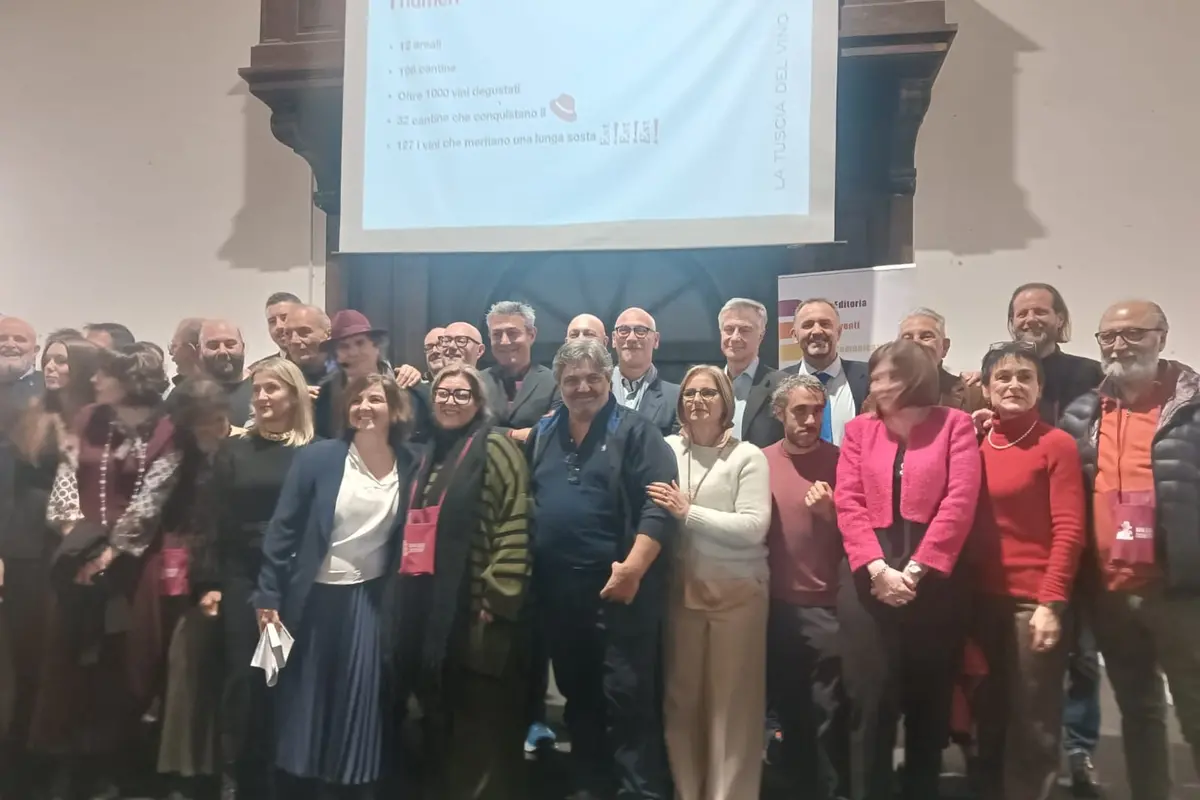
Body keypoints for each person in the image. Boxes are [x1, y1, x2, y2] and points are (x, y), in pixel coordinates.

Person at [1059, 300, 1200, 800]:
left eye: (1133, 334)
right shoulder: (1083, 412)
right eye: (1109, 336)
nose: (1119, 345)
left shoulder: (1193, 407)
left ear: (1162, 336)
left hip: (1180, 593)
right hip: (1110, 593)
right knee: (1139, 712)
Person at [526, 339, 676, 799]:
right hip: (560, 595)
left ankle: (640, 792)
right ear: (559, 383)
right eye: (572, 379)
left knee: (627, 702)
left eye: (593, 377)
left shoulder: (637, 432)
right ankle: (590, 787)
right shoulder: (544, 432)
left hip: (620, 593)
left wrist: (633, 568)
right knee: (578, 700)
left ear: (608, 378)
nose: (583, 387)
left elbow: (659, 504)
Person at [255, 372, 415, 799]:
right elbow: (283, 529)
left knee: (358, 700)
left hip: (371, 600)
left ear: (395, 409)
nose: (364, 407)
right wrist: (268, 594)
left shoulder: (412, 462)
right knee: (305, 700)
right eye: (356, 400)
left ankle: (350, 785)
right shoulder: (320, 457)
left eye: (375, 399)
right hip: (313, 599)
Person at [834, 339, 981, 800]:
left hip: (935, 584)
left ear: (916, 377)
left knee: (928, 707)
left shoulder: (954, 425)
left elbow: (959, 503)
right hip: (868, 581)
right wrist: (879, 571)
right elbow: (848, 502)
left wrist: (914, 572)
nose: (878, 384)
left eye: (890, 376)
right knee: (869, 704)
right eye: (875, 376)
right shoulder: (859, 431)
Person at [32, 343, 180, 799]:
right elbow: (65, 480)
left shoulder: (167, 428)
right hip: (77, 553)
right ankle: (78, 765)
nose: (93, 380)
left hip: (133, 563)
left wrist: (108, 555)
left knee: (129, 661)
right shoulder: (86, 418)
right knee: (72, 659)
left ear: (129, 380)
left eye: (104, 374)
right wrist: (79, 544)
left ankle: (121, 764)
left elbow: (152, 501)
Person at [394, 364, 532, 799]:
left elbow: (515, 519)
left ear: (478, 402)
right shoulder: (424, 454)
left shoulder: (496, 447)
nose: (450, 401)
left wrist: (499, 593)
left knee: (480, 725)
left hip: (477, 608)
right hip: (427, 607)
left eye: (461, 394)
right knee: (438, 718)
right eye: (443, 393)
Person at [970, 342, 1086, 800]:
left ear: (1040, 388)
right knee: (986, 712)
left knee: (1033, 720)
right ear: (985, 388)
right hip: (978, 601)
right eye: (1003, 377)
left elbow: (1070, 529)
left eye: (1025, 377)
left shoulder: (1056, 444)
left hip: (1031, 604)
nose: (1013, 385)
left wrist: (1051, 603)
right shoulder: (974, 441)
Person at [651, 365, 771, 800]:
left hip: (737, 598)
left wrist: (689, 513)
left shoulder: (747, 456)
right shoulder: (666, 449)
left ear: (726, 403)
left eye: (708, 393)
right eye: (689, 393)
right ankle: (688, 792)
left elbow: (754, 527)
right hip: (681, 594)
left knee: (731, 709)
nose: (697, 401)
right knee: (681, 704)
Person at [1004, 282, 1105, 793]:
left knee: (1081, 653)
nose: (1030, 319)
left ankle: (1079, 750)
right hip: (1022, 542)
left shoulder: (1090, 375)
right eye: (1021, 313)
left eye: (1040, 311)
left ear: (1061, 320)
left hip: (1078, 524)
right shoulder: (1000, 377)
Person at [210, 357, 314, 800]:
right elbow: (215, 521)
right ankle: (243, 776)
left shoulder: (318, 452)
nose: (262, 397)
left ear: (294, 394)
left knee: (292, 677)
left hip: (299, 579)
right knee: (245, 677)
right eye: (257, 390)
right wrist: (210, 583)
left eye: (272, 388)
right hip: (244, 578)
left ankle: (288, 775)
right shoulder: (233, 450)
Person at [1, 335, 98, 799]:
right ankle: (25, 762)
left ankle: (69, 765)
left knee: (71, 658)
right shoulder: (29, 413)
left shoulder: (102, 417)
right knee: (27, 659)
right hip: (27, 551)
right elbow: (9, 490)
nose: (53, 367)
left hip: (79, 550)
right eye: (49, 359)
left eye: (63, 360)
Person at [764, 373, 847, 799]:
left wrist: (834, 514)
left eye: (817, 411)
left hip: (828, 608)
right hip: (775, 608)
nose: (811, 420)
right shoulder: (759, 462)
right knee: (790, 712)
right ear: (780, 413)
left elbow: (866, 536)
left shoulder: (843, 461)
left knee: (829, 714)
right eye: (800, 411)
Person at [156, 377, 235, 800]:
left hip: (226, 576)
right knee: (186, 672)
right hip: (183, 576)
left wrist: (213, 582)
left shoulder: (236, 452)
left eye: (216, 419)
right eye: (202, 422)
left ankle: (220, 769)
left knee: (220, 675)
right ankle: (190, 770)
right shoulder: (179, 459)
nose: (212, 429)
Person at [784, 298, 870, 443]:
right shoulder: (779, 382)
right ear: (794, 335)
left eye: (825, 324)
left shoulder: (869, 376)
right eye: (808, 325)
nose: (817, 331)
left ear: (839, 332)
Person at [481, 301, 559, 444]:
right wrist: (513, 434)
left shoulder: (554, 383)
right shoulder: (477, 382)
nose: (504, 341)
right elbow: (469, 428)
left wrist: (491, 431)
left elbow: (554, 430)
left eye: (512, 333)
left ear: (532, 335)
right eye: (497, 334)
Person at [718, 298, 785, 448]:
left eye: (744, 330)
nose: (735, 338)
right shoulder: (706, 386)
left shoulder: (782, 386)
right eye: (729, 329)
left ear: (761, 336)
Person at [894, 307, 985, 412]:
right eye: (907, 338)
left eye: (926, 336)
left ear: (945, 347)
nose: (916, 342)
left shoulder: (972, 392)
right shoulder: (883, 393)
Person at [612, 307, 679, 437]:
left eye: (641, 331)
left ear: (656, 340)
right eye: (623, 330)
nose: (631, 338)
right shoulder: (594, 393)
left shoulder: (676, 398)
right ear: (614, 339)